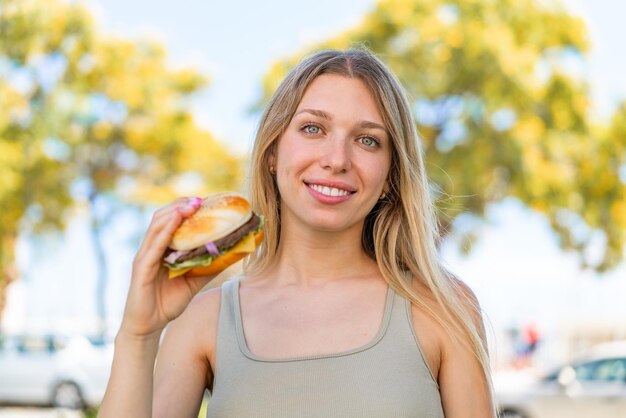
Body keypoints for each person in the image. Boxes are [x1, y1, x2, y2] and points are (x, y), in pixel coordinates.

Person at [98, 48, 496, 418]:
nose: (336, 159)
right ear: (272, 153)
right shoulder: (204, 318)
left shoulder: (443, 308)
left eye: (367, 140)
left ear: (391, 174)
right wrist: (138, 335)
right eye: (312, 129)